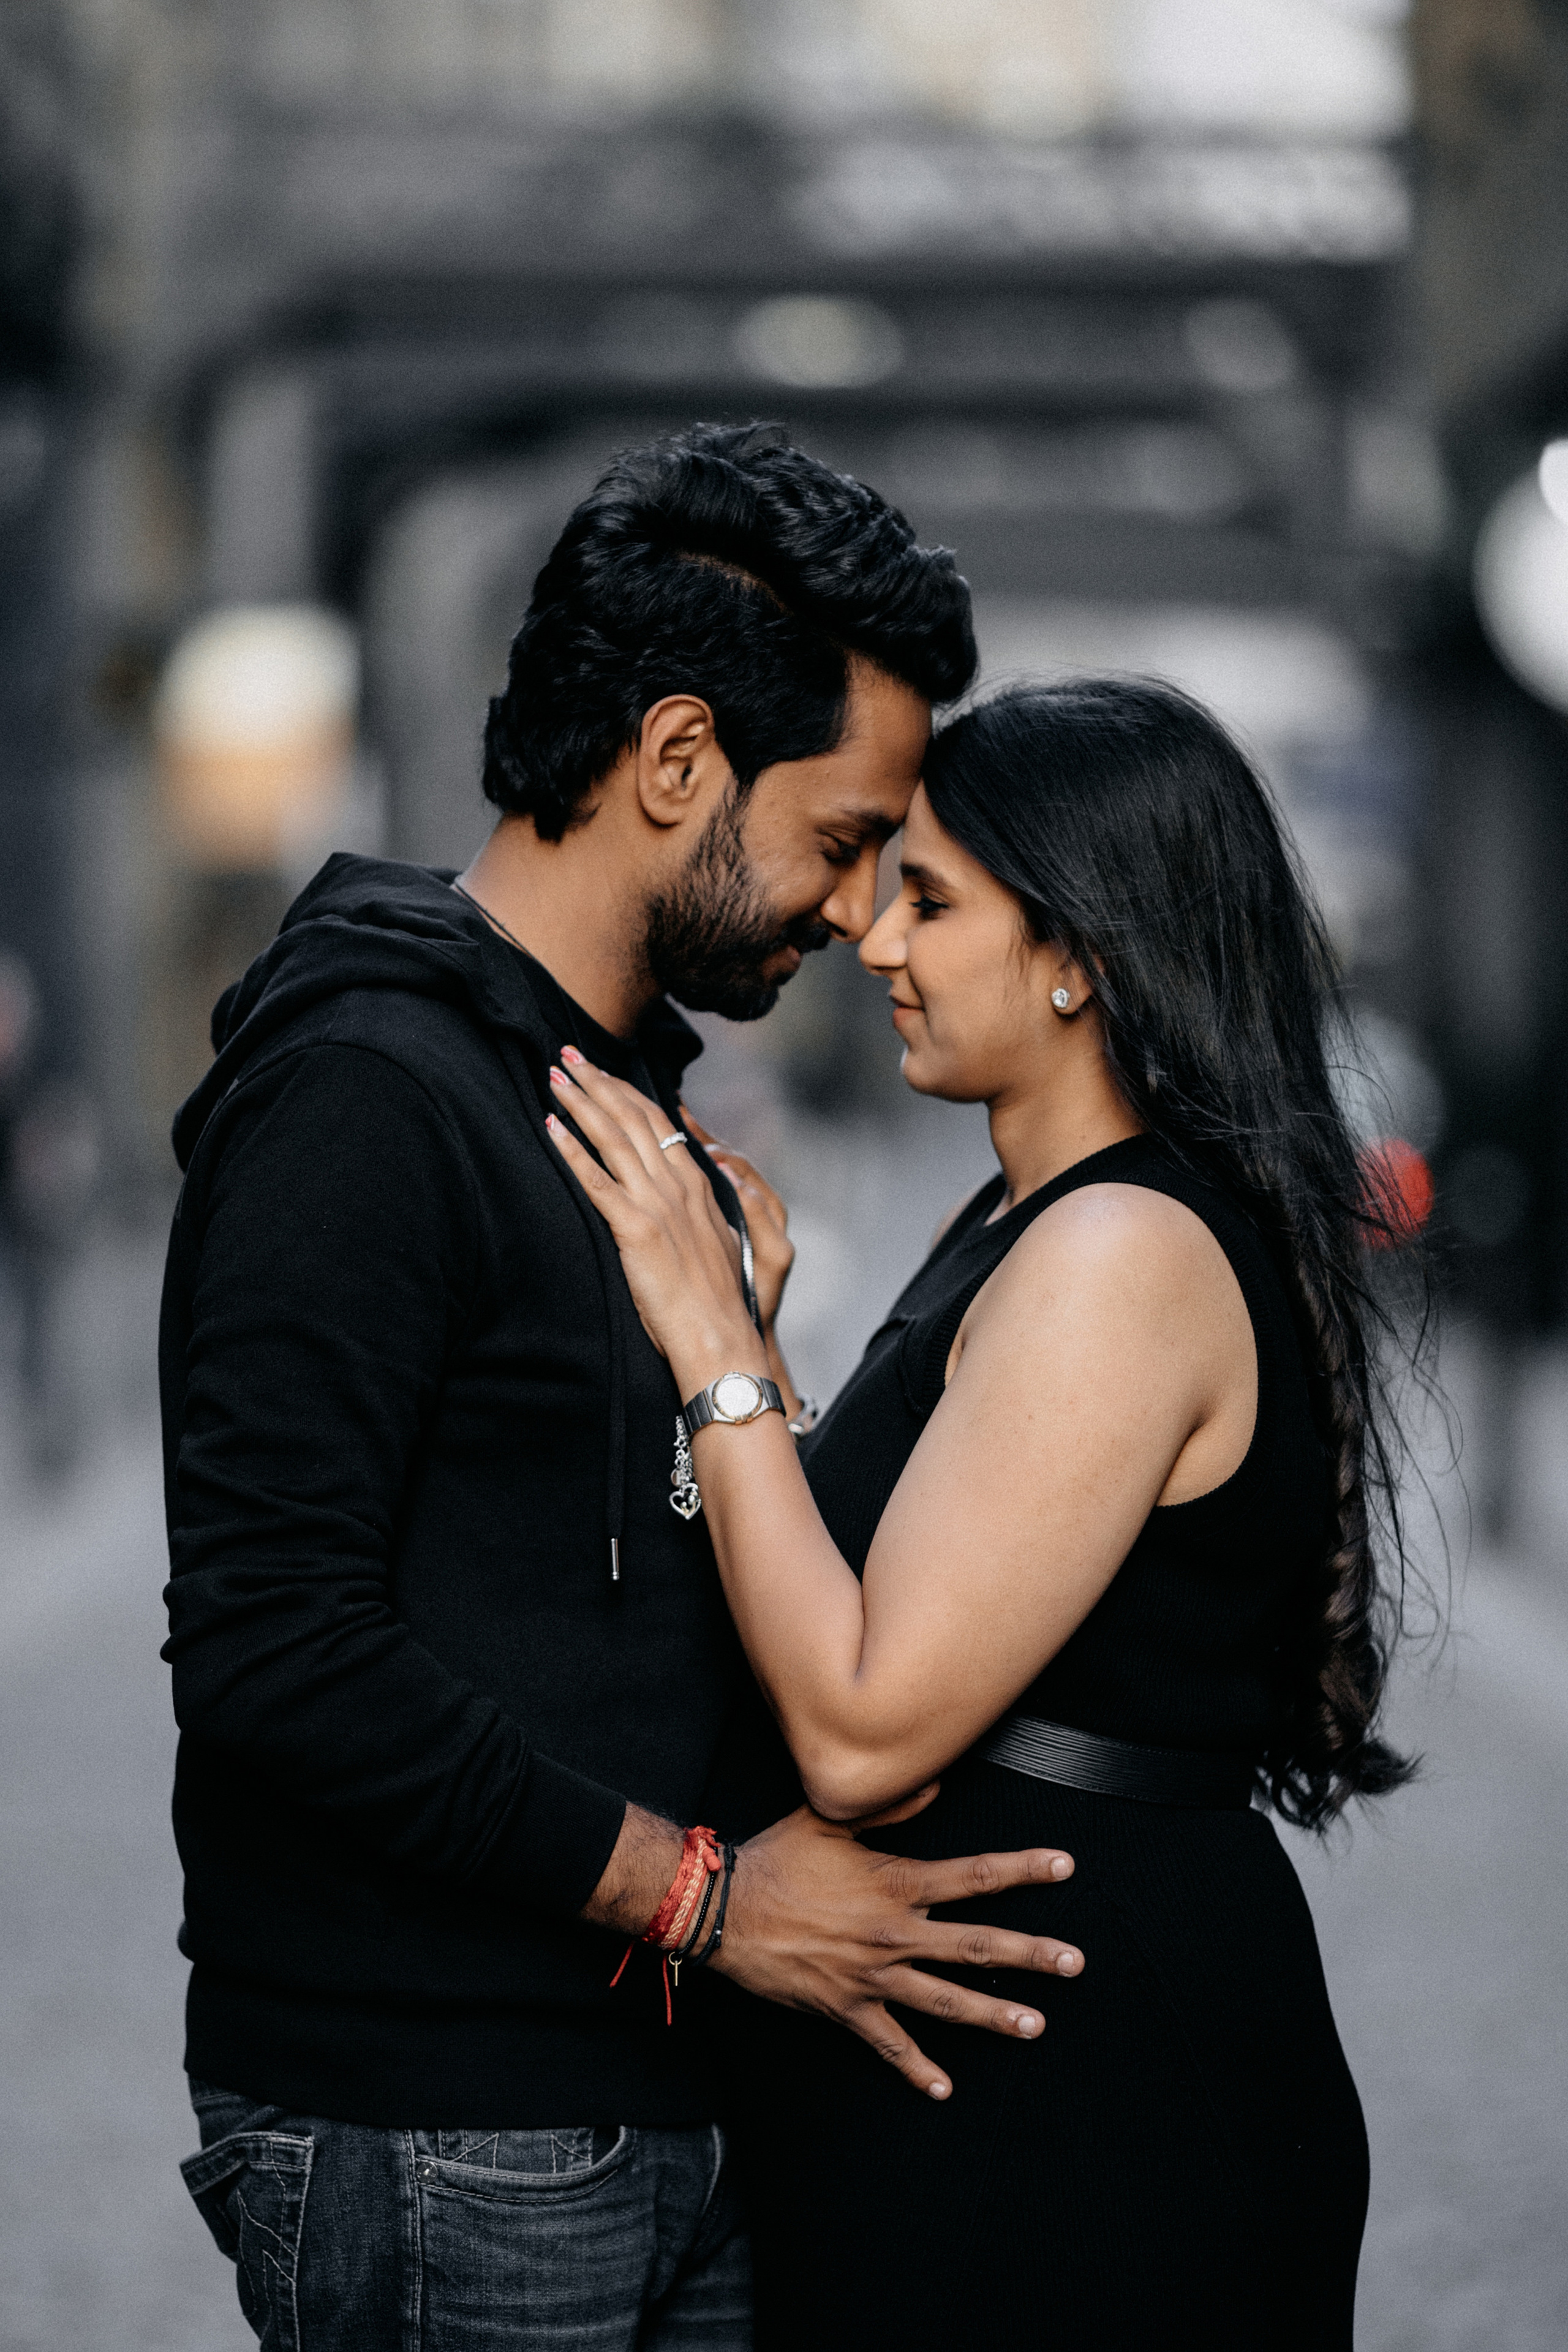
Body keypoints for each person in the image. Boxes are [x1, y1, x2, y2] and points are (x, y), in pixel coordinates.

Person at [161, 424, 1087, 2352]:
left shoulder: (614, 1107)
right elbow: (276, 1650)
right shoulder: (370, 1092)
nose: (851, 916)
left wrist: (739, 1377)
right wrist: (708, 1904)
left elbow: (590, 1598)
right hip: (436, 2129)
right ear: (678, 761)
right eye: (839, 842)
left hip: (645, 2105)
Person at [549, 677, 1418, 2352]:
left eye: (933, 898)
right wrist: (770, 1378)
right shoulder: (1023, 1218)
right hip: (993, 2081)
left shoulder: (1119, 1254)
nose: (874, 936)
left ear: (1082, 952)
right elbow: (905, 1581)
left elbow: (868, 1732)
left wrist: (717, 1345)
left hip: (1085, 2099)